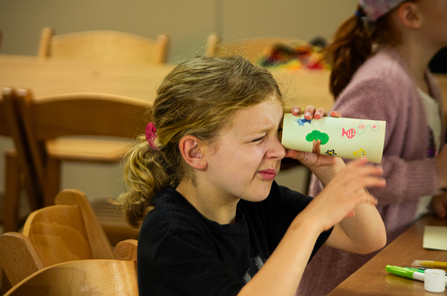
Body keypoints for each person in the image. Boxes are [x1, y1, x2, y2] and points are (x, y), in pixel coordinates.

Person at [118, 55, 386, 296]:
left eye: (276, 133)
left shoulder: (257, 202)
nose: (279, 151)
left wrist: (329, 168)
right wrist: (308, 223)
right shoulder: (171, 235)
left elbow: (367, 239)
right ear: (195, 151)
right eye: (258, 138)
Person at [297, 1, 447, 295]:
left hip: (395, 257)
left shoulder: (427, 84)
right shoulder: (381, 84)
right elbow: (342, 174)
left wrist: (431, 196)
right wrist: (434, 175)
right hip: (351, 278)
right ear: (411, 15)